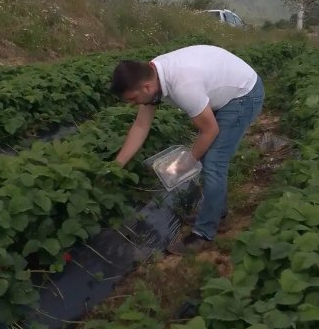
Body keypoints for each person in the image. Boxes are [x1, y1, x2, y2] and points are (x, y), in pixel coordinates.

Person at [110, 44, 264, 255]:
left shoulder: (183, 85)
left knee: (213, 162)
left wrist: (188, 160)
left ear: (146, 88)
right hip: (227, 86)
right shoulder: (153, 75)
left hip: (243, 95)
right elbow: (140, 126)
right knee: (209, 157)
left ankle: (203, 233)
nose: (133, 104)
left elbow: (210, 131)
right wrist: (117, 165)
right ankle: (216, 211)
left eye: (133, 99)